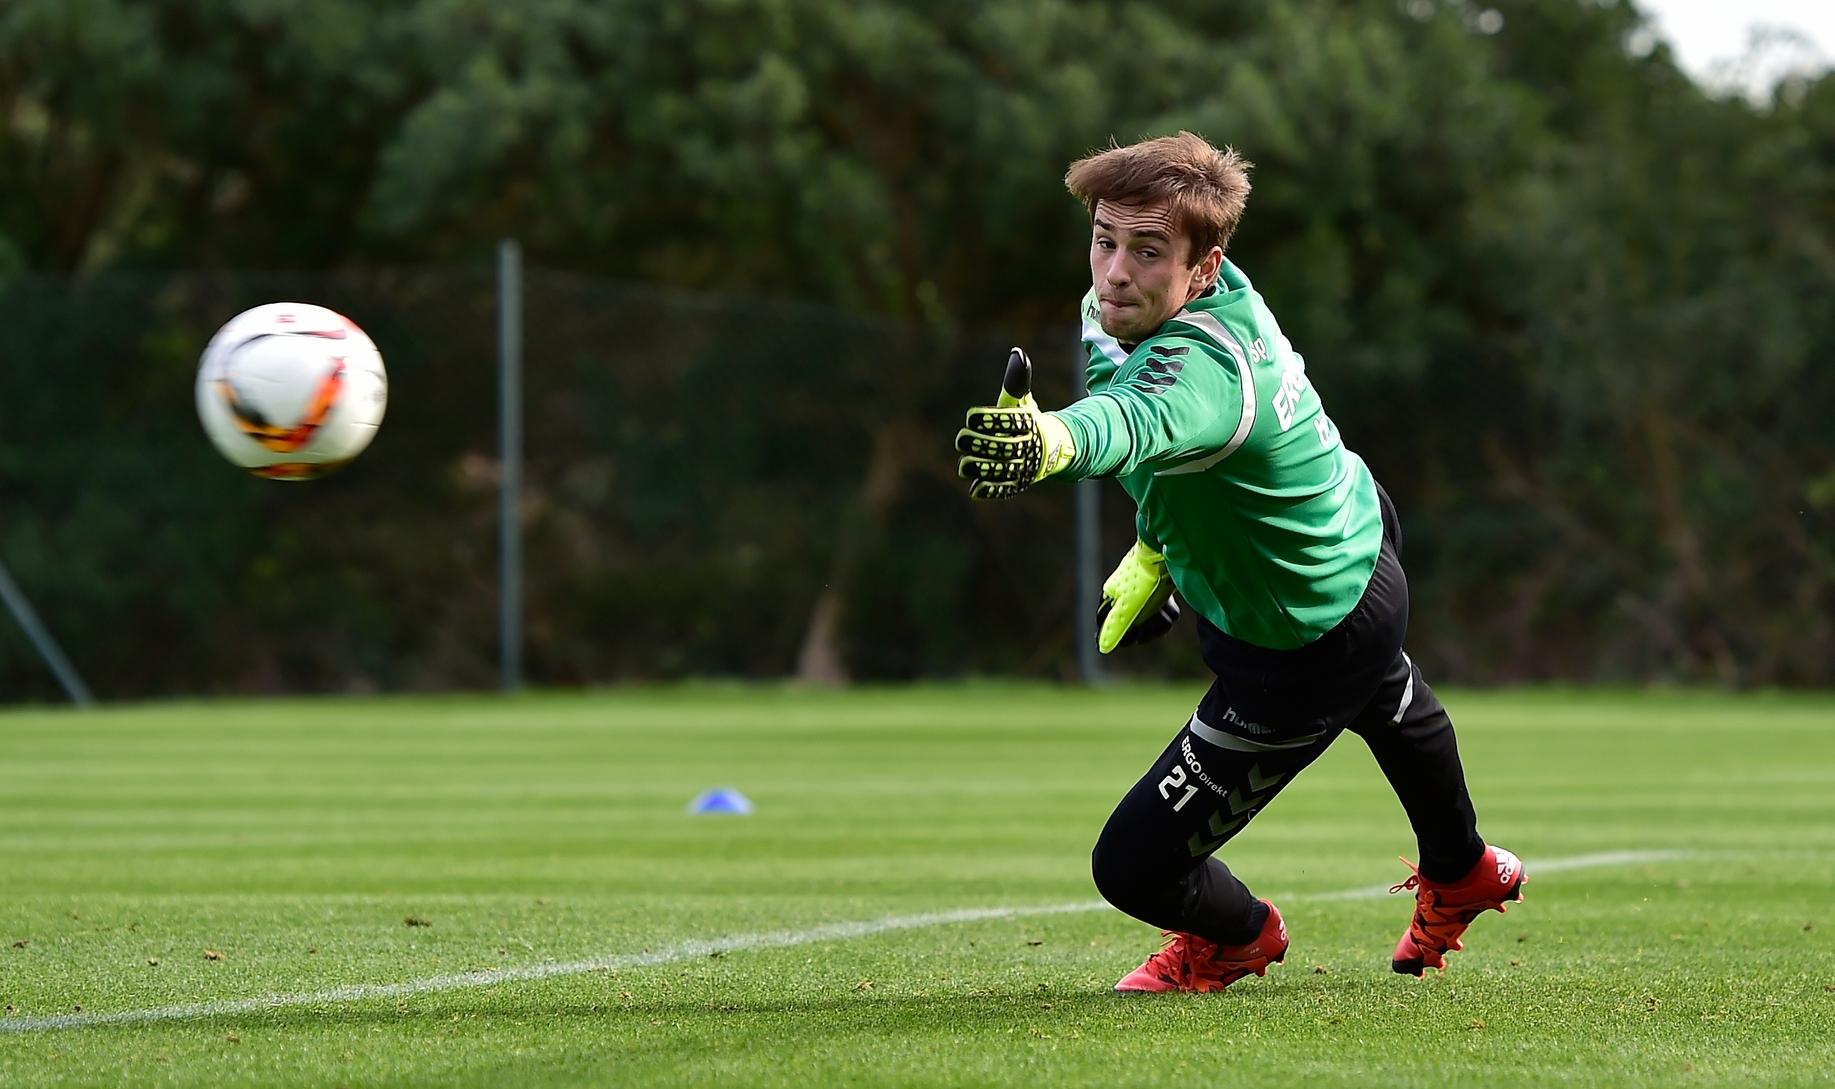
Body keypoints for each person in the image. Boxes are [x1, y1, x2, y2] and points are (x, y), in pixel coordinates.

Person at [954, 132, 1524, 993]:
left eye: (1148, 252)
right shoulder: (1152, 302)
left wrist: (1051, 440)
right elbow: (1166, 456)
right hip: (1359, 542)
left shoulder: (1209, 362)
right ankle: (1463, 866)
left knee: (1131, 868)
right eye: (1105, 239)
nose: (1113, 271)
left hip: (1302, 639)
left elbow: (1136, 422)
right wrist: (1156, 551)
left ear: (1203, 268)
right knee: (1382, 689)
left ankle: (1238, 935)